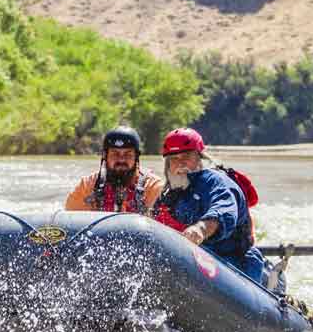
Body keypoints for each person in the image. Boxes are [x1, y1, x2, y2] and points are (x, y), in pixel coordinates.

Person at [150, 127, 280, 291]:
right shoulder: (170, 194)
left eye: (186, 156)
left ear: (199, 158)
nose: (180, 163)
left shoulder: (217, 182)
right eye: (174, 159)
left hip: (237, 262)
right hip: (202, 259)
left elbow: (223, 210)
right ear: (168, 165)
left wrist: (201, 229)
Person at [64, 125, 165, 213]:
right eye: (115, 153)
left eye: (128, 154)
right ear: (105, 156)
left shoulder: (153, 188)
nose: (121, 159)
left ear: (136, 157)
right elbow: (68, 224)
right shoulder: (87, 186)